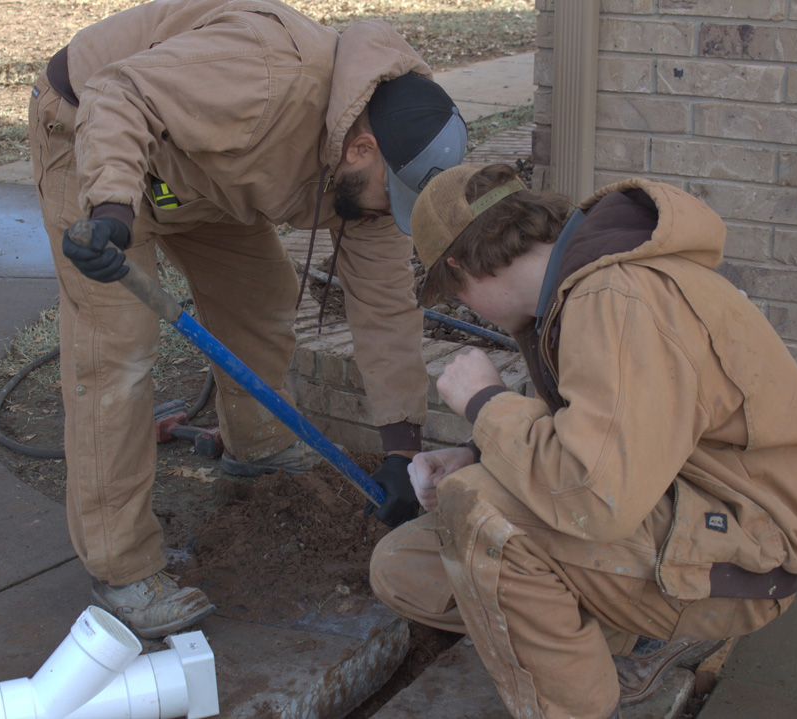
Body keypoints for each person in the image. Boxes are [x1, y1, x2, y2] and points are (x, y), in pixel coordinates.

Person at [27, 0, 467, 639]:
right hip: (96, 138)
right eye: (388, 198)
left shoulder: (373, 180)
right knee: (117, 351)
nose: (385, 213)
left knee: (262, 298)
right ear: (359, 148)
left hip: (199, 170)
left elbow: (385, 309)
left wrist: (402, 448)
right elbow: (116, 93)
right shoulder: (263, 77)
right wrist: (112, 207)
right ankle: (123, 571)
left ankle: (259, 450)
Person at [369, 163, 797, 719]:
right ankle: (631, 638)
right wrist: (474, 453)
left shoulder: (616, 295)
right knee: (405, 565)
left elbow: (595, 496)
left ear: (459, 267)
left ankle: (603, 689)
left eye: (456, 296)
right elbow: (602, 434)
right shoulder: (575, 293)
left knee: (478, 512)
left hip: (746, 551)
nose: (466, 309)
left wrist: (484, 404)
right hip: (675, 512)